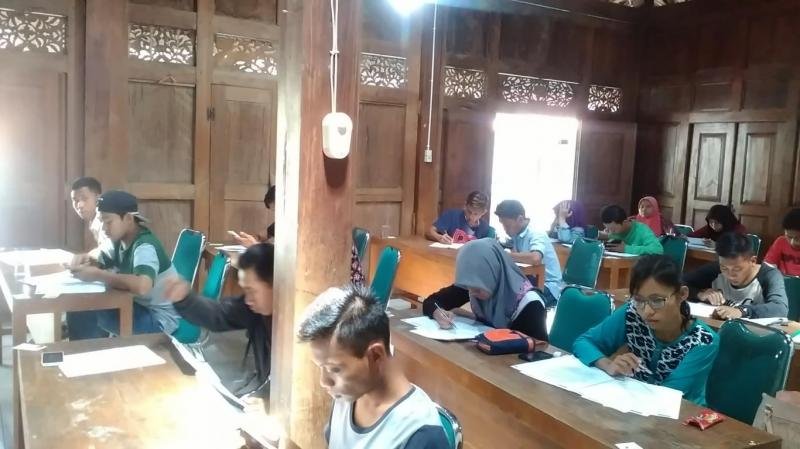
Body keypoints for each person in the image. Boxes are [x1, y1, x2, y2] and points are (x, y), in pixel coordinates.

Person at [297, 285, 449, 449]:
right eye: (321, 368)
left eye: (335, 369)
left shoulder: (421, 436)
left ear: (376, 355)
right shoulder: (347, 396)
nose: (324, 381)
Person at [573, 255, 719, 406]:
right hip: (634, 405)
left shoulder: (703, 341)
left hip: (680, 414)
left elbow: (668, 395)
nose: (647, 311)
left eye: (657, 300)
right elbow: (584, 342)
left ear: (682, 294)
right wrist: (608, 365)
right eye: (639, 300)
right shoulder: (632, 314)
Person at [162, 243, 274, 395]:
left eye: (252, 290)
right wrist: (185, 300)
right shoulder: (253, 309)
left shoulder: (295, 323)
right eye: (245, 290)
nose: (248, 300)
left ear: (275, 284)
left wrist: (265, 399)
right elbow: (220, 314)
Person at [67, 190, 181, 339]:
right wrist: (85, 259)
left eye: (108, 222)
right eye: (101, 221)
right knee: (82, 305)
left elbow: (142, 286)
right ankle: (93, 348)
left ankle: (90, 350)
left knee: (88, 309)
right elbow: (99, 257)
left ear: (128, 219)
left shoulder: (144, 246)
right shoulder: (118, 240)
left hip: (160, 319)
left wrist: (98, 275)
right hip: (138, 305)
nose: (104, 228)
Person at [423, 239, 548, 341]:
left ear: (494, 274)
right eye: (468, 287)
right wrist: (438, 313)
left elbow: (538, 348)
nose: (471, 292)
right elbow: (431, 301)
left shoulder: (530, 304)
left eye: (477, 289)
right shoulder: (473, 284)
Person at [684, 232, 788, 320]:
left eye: (737, 269)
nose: (730, 275)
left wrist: (741, 311)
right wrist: (700, 294)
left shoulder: (769, 275)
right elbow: (680, 284)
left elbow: (780, 308)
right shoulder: (716, 269)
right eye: (724, 268)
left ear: (753, 261)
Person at [495, 199, 563, 306]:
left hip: (548, 286)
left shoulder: (536, 232)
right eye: (503, 225)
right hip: (530, 282)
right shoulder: (517, 233)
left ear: (520, 219)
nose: (505, 230)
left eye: (507, 225)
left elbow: (535, 258)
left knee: (512, 301)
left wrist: (507, 255)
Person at [69, 176, 111, 260]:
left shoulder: (104, 219)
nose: (79, 205)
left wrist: (87, 257)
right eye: (75, 200)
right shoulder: (93, 219)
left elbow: (109, 251)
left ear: (98, 198)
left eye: (84, 198)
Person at [426, 191, 491, 244]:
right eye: (469, 212)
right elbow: (429, 232)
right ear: (465, 205)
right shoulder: (451, 216)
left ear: (483, 212)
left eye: (476, 214)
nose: (471, 217)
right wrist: (439, 237)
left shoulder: (484, 228)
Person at [764, 208, 800, 276]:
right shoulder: (781, 242)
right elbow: (768, 265)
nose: (793, 242)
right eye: (789, 237)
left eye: (798, 238)